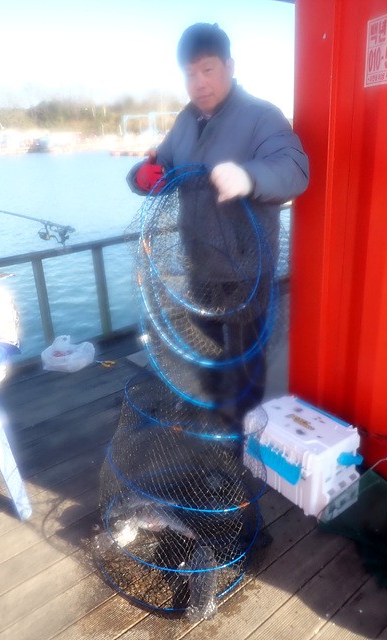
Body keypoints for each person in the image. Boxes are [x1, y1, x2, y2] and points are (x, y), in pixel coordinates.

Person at [128, 22, 309, 449]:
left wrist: (248, 177)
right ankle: (215, 413)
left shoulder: (261, 116)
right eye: (190, 74)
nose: (199, 83)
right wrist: (141, 176)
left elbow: (294, 170)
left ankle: (245, 435)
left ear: (229, 66)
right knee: (207, 349)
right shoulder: (185, 121)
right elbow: (162, 165)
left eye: (208, 70)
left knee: (246, 358)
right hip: (199, 265)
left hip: (246, 268)